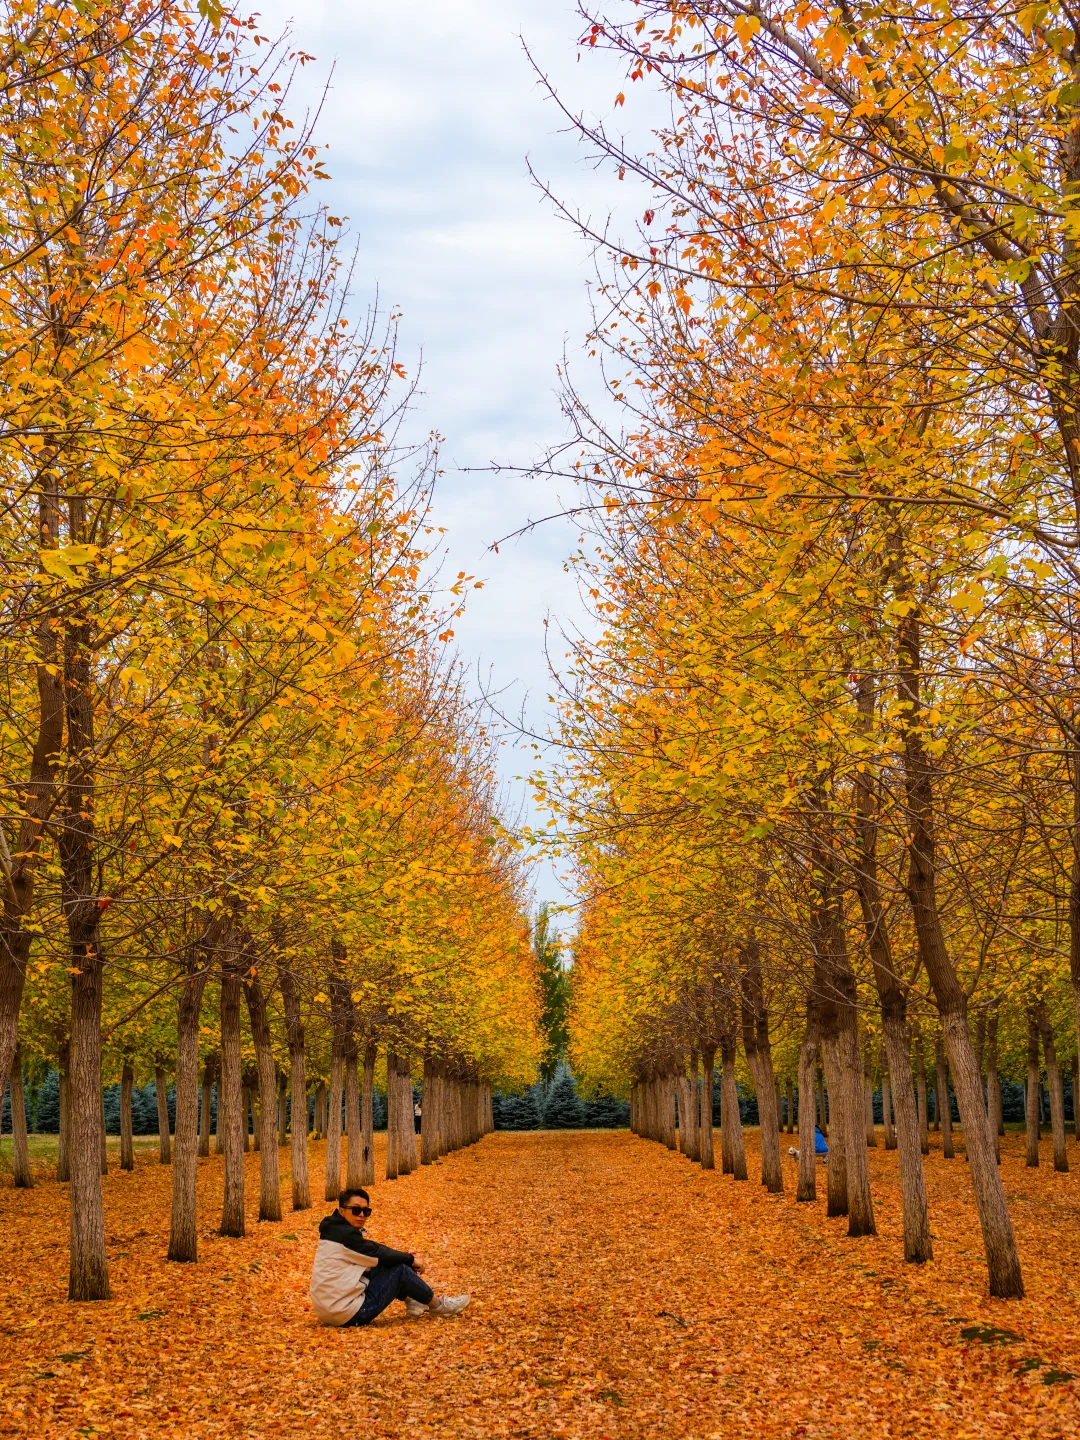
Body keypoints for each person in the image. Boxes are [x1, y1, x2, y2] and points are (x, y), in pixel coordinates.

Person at [309, 1187, 470, 1327]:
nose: (361, 1215)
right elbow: (378, 1253)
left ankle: (414, 1301)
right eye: (356, 1210)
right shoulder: (345, 1237)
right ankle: (438, 1306)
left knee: (384, 1263)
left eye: (366, 1211)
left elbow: (375, 1250)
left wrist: (406, 1258)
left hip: (329, 1311)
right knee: (399, 1270)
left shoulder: (334, 1231)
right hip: (347, 1314)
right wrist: (411, 1259)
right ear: (341, 1211)